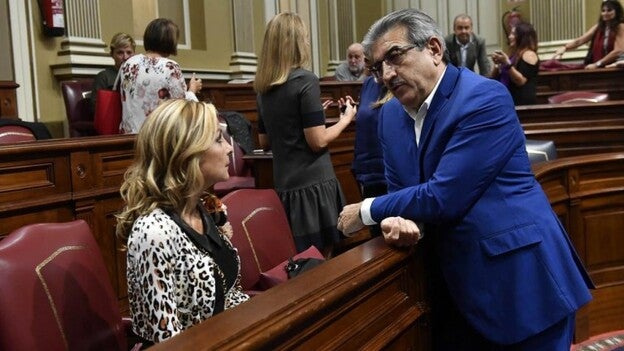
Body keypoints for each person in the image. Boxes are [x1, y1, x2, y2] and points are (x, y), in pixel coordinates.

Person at [337, 8, 593, 350]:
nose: (385, 74)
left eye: (394, 57)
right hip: (447, 289)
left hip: (519, 283)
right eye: (376, 66)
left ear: (433, 49)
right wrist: (399, 220)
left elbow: (445, 195)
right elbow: (403, 192)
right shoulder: (390, 118)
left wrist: (368, 210)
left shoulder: (483, 98)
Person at [116, 99, 249, 344]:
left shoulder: (202, 209)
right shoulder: (153, 231)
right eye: (218, 139)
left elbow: (228, 295)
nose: (230, 148)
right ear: (187, 153)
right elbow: (168, 341)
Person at [254, 12, 357, 254]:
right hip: (313, 184)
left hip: (286, 186)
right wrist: (346, 119)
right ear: (297, 42)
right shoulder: (306, 80)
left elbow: (265, 141)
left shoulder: (262, 88)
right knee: (323, 259)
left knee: (299, 259)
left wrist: (309, 115)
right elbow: (317, 141)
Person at [119, 18, 202, 133]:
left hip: (127, 136)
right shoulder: (170, 66)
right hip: (154, 138)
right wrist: (192, 90)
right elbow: (180, 107)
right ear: (169, 41)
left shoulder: (128, 63)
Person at [351, 73, 390, 237]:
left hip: (390, 175)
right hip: (369, 174)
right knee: (377, 237)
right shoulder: (368, 83)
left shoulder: (400, 83)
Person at [552, 0, 624, 69]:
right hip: (598, 67)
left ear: (617, 12)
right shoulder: (599, 27)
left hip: (613, 69)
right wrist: (565, 47)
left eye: (609, 10)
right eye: (603, 11)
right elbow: (581, 40)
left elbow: (619, 50)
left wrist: (598, 64)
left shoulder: (620, 26)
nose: (605, 13)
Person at [490, 22, 539, 105]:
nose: (510, 37)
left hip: (521, 103)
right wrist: (497, 64)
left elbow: (520, 81)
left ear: (522, 36)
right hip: (505, 99)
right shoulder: (513, 54)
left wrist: (506, 63)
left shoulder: (529, 54)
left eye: (513, 34)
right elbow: (494, 77)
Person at [89, 32, 135, 112]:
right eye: (120, 53)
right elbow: (96, 108)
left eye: (129, 52)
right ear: (112, 54)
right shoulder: (103, 77)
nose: (125, 57)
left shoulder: (138, 75)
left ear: (134, 54)